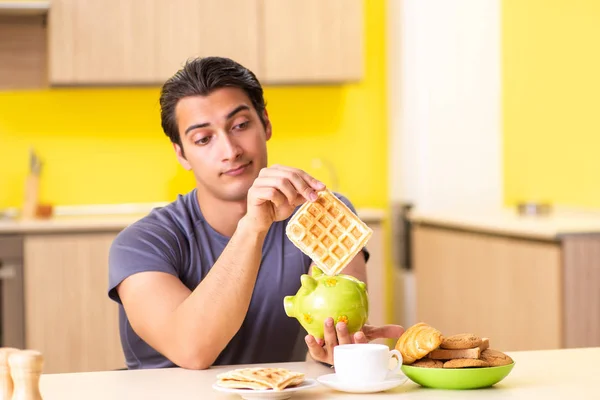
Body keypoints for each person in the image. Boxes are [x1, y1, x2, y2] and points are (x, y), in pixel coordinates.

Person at [107, 56, 404, 370]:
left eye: (240, 125)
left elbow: (344, 317)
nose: (230, 150)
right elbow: (192, 350)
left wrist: (336, 352)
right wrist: (252, 228)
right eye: (204, 139)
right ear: (181, 153)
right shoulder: (140, 244)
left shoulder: (321, 215)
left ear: (266, 123)